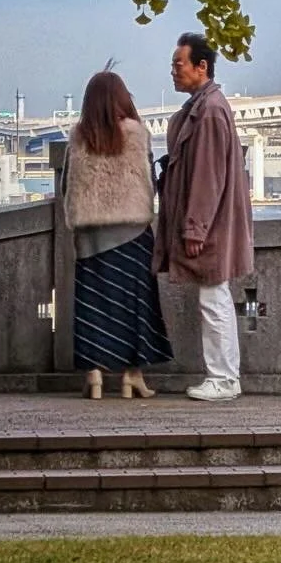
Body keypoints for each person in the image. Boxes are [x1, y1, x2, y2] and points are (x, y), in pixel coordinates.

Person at [153, 31, 254, 401]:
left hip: (210, 225)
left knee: (214, 297)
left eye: (179, 64)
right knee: (215, 296)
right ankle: (223, 375)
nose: (173, 71)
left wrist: (195, 228)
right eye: (172, 65)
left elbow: (208, 176)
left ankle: (224, 377)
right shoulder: (204, 106)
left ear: (202, 66)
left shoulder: (209, 111)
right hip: (212, 222)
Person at [62, 69, 173, 398]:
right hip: (132, 232)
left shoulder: (79, 137)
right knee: (135, 302)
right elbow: (149, 183)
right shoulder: (137, 135)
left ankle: (94, 376)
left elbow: (67, 185)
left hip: (91, 236)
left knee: (93, 303)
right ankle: (131, 375)